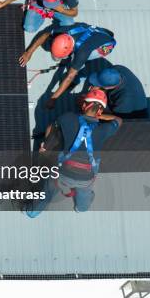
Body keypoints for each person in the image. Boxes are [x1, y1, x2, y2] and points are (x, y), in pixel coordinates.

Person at [26, 89, 122, 217]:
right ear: (100, 111)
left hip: (62, 173)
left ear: (83, 105)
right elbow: (118, 120)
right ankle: (81, 207)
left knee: (48, 190)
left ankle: (32, 211)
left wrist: (46, 146)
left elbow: (51, 127)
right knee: (92, 169)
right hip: (85, 178)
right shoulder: (104, 130)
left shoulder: (67, 118)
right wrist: (100, 116)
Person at [19, 22, 117, 109]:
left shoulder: (83, 52)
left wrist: (53, 98)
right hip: (94, 34)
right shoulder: (65, 32)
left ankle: (79, 69)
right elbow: (46, 34)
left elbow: (70, 76)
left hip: (105, 44)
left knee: (77, 66)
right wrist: (29, 52)